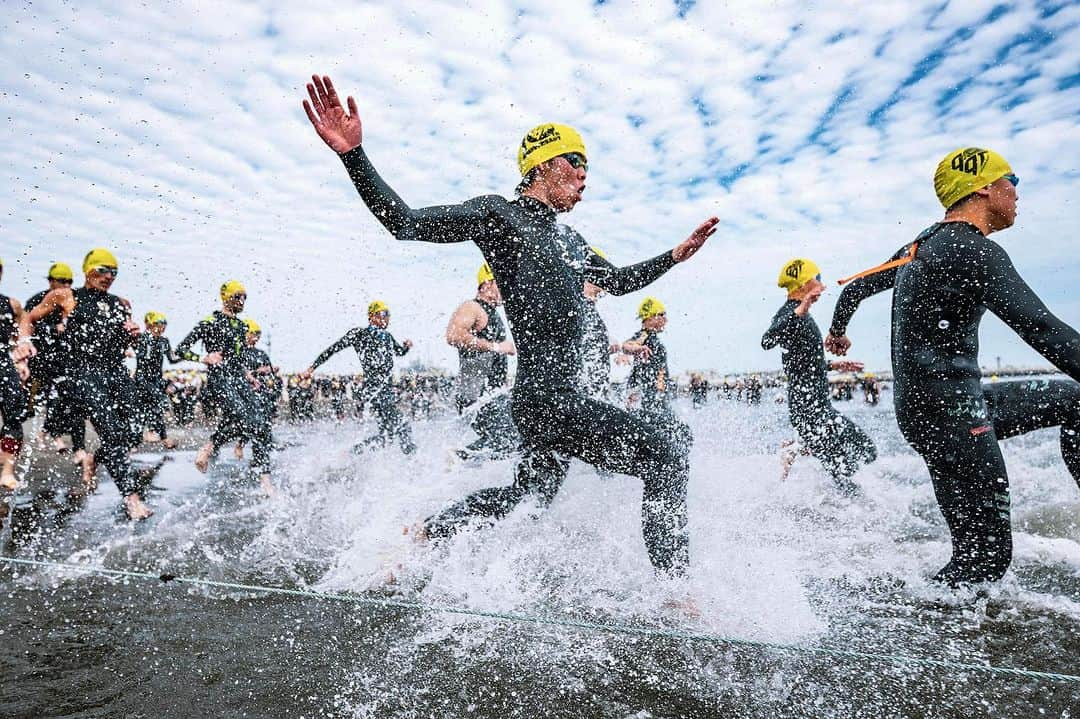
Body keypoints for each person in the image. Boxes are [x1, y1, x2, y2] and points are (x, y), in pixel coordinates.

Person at [302, 75, 717, 577]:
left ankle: (426, 533)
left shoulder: (571, 240)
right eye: (577, 163)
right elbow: (404, 222)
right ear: (544, 165)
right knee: (667, 456)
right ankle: (678, 592)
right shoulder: (499, 215)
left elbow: (620, 281)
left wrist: (675, 255)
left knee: (528, 497)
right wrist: (354, 156)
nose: (586, 178)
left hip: (546, 399)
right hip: (548, 398)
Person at [825, 147, 1080, 586]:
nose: (1016, 194)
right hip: (950, 416)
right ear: (984, 187)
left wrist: (837, 330)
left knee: (1075, 400)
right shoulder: (975, 251)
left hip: (940, 408)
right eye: (1011, 182)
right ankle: (916, 618)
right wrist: (838, 331)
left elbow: (855, 288)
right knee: (984, 560)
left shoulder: (917, 246)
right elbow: (1042, 328)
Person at [14, 249, 153, 519]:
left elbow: (121, 342)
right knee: (112, 432)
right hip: (82, 373)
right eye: (102, 270)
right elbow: (27, 319)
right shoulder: (65, 296)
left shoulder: (121, 303)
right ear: (88, 269)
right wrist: (24, 343)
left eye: (114, 272)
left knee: (133, 431)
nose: (108, 276)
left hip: (115, 372)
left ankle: (94, 459)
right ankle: (132, 498)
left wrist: (132, 336)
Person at [761, 259, 876, 490]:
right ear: (805, 282)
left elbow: (801, 364)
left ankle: (797, 447)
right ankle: (847, 516)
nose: (822, 284)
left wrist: (833, 366)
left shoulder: (802, 316)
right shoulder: (789, 313)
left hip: (818, 407)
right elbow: (767, 341)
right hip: (808, 409)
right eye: (819, 278)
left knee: (865, 451)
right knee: (844, 472)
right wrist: (800, 309)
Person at [177, 280, 269, 477]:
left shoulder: (241, 326)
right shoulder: (210, 322)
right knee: (242, 418)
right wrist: (203, 358)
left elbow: (237, 357)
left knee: (261, 423)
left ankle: (265, 478)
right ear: (226, 297)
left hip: (238, 379)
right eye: (238, 296)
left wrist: (248, 375)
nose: (242, 301)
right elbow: (180, 350)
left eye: (245, 297)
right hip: (220, 379)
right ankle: (208, 447)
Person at [302, 300, 416, 455]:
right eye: (382, 314)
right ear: (371, 317)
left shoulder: (388, 337)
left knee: (387, 436)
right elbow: (333, 349)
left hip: (386, 390)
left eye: (388, 314)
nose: (386, 318)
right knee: (403, 426)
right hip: (374, 391)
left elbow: (399, 352)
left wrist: (406, 348)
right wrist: (312, 368)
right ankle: (414, 462)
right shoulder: (359, 334)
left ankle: (353, 453)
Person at [446, 263, 519, 461]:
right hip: (475, 394)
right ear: (486, 285)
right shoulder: (472, 307)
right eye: (501, 283)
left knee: (512, 440)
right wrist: (496, 347)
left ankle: (458, 466)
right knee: (507, 440)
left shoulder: (492, 313)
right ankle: (459, 459)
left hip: (489, 395)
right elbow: (453, 335)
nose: (507, 288)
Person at [24, 262, 90, 467]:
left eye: (70, 282)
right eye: (62, 281)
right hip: (41, 360)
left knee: (74, 400)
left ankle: (78, 448)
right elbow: (26, 324)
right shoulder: (37, 300)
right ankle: (51, 435)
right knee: (45, 401)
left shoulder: (73, 299)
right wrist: (54, 329)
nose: (66, 285)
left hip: (66, 361)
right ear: (51, 281)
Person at [623, 298, 693, 457]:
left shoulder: (652, 337)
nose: (665, 319)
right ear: (649, 318)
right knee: (682, 434)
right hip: (648, 401)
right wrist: (635, 349)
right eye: (661, 315)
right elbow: (628, 345)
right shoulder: (644, 335)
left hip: (657, 400)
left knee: (674, 436)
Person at [233, 319, 278, 496]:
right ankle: (241, 444)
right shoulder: (238, 353)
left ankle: (264, 477)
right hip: (244, 398)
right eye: (254, 334)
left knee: (263, 434)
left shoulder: (261, 353)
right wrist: (256, 373)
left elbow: (271, 376)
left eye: (258, 334)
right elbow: (236, 375)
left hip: (262, 398)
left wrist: (272, 372)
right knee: (249, 427)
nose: (256, 337)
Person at [1, 258, 31, 497]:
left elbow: (23, 323)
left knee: (14, 413)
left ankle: (7, 470)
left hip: (3, 362)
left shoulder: (11, 304)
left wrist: (21, 355)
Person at [132, 311, 183, 449]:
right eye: (159, 324)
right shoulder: (141, 339)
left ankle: (140, 442)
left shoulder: (164, 341)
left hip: (156, 379)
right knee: (158, 401)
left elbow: (172, 359)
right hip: (142, 379)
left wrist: (183, 354)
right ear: (149, 325)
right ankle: (151, 432)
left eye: (164, 324)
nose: (162, 327)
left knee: (147, 409)